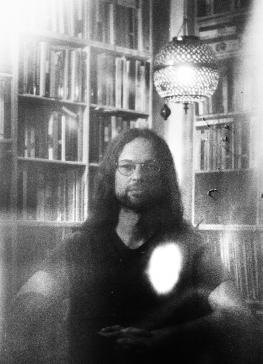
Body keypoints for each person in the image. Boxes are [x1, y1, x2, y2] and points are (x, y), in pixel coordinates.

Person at [4, 128, 263, 363]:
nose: (137, 177)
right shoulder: (81, 245)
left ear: (164, 177)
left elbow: (238, 316)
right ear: (111, 175)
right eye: (127, 167)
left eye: (149, 168)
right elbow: (28, 301)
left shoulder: (191, 247)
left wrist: (168, 336)